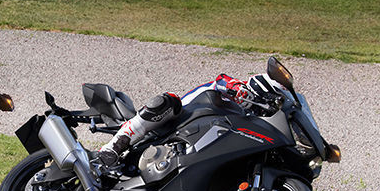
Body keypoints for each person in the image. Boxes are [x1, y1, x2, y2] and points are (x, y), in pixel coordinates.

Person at [97, 72, 282, 166]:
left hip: (194, 149)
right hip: (174, 122)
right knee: (168, 101)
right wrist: (237, 88)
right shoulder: (229, 90)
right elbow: (222, 80)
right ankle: (113, 147)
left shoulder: (251, 123)